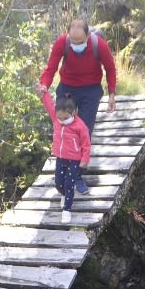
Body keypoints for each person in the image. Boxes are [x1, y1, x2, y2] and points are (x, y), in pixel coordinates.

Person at [37, 17, 117, 193]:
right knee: (64, 127)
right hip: (67, 87)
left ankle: (78, 175)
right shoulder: (62, 43)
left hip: (91, 90)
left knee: (84, 132)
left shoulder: (99, 45)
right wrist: (44, 85)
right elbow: (50, 68)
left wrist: (111, 93)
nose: (76, 44)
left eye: (79, 42)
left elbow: (110, 68)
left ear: (88, 36)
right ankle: (62, 169)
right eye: (73, 41)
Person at [38, 88, 90, 223]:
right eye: (59, 118)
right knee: (58, 183)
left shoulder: (80, 126)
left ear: (73, 113)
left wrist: (84, 159)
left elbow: (86, 145)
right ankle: (64, 194)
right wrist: (43, 93)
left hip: (74, 160)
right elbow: (49, 104)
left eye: (65, 118)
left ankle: (67, 209)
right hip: (60, 158)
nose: (61, 120)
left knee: (69, 184)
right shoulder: (56, 118)